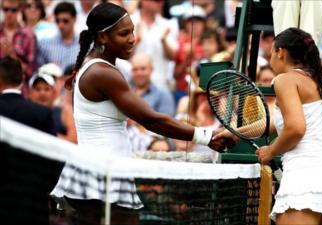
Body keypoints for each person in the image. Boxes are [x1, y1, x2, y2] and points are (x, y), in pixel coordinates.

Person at [50, 3, 232, 225]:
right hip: (102, 175)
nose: (132, 38)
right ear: (103, 37)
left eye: (133, 31)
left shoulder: (98, 68)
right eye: (124, 33)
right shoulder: (103, 73)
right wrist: (207, 136)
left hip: (99, 172)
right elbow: (151, 119)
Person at [215, 28, 322, 225]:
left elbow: (296, 128)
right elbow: (276, 122)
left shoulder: (285, 80)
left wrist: (271, 151)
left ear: (280, 52)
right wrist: (236, 133)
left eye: (271, 52)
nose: (271, 58)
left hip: (305, 181)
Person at [0, 56, 60, 225]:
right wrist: (42, 190)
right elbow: (55, 158)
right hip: (33, 203)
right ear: (22, 79)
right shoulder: (41, 113)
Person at [37, 1, 79, 72]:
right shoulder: (45, 44)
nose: (61, 25)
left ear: (74, 19)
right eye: (57, 21)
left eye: (65, 21)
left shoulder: (86, 45)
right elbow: (39, 71)